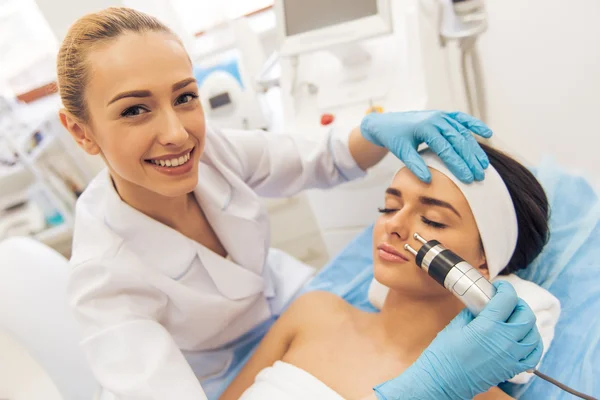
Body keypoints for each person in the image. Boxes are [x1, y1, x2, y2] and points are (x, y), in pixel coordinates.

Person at [57, 7, 542, 400]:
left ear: (484, 262)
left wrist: (375, 128)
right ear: (80, 132)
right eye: (134, 109)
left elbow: (319, 159)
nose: (176, 133)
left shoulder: (217, 155)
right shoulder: (104, 282)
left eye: (185, 97)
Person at [220, 143, 549, 400]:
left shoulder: (473, 393)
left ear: (484, 262)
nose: (394, 224)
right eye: (389, 207)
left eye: (432, 220)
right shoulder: (315, 313)